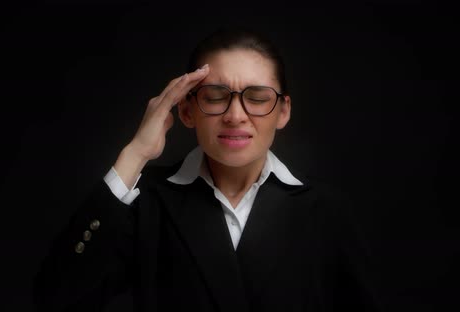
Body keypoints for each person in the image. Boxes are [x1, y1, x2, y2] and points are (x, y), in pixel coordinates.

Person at [33, 28, 382, 312]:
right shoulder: (148, 201)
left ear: (283, 111)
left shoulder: (326, 210)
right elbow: (58, 298)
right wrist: (135, 153)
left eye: (257, 97)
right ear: (187, 111)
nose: (235, 114)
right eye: (215, 96)